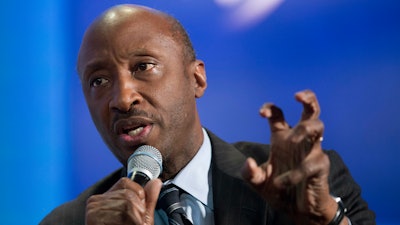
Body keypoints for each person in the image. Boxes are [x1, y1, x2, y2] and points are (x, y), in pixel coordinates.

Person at [40, 4, 375, 225]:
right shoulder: (67, 222)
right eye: (98, 80)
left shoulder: (307, 184)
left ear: (196, 79)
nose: (123, 98)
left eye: (143, 66)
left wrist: (325, 220)